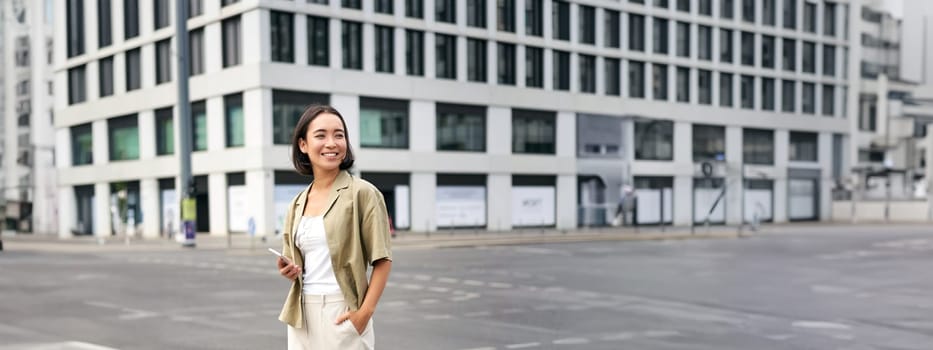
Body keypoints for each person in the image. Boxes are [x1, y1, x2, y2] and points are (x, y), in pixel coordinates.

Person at [276, 105, 393, 350]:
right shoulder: (297, 203)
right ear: (303, 145)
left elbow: (382, 260)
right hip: (301, 314)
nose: (331, 143)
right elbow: (298, 262)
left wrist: (364, 315)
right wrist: (288, 269)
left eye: (339, 135)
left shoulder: (363, 193)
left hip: (342, 311)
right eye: (321, 135)